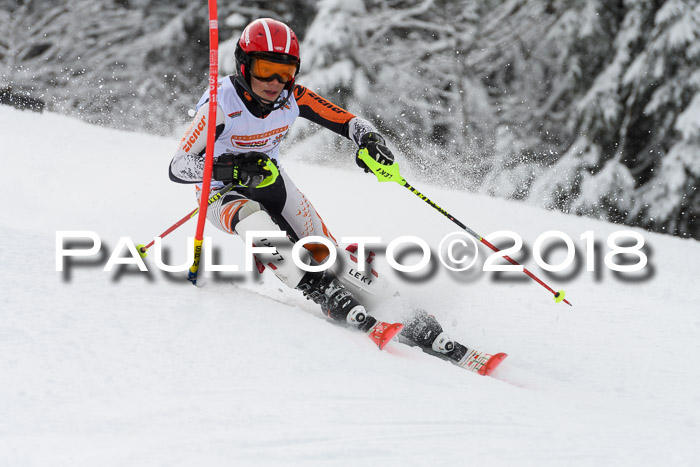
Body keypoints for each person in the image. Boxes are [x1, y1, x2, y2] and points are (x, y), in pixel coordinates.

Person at [169, 18, 475, 364]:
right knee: (256, 225)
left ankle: (402, 309)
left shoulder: (292, 98)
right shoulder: (219, 105)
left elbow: (350, 122)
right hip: (222, 194)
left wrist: (369, 141)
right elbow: (179, 166)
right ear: (244, 65)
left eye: (284, 72)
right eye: (265, 68)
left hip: (272, 182)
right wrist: (232, 169)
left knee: (328, 254)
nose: (274, 82)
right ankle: (318, 289)